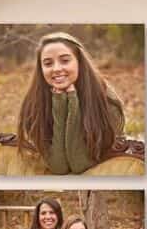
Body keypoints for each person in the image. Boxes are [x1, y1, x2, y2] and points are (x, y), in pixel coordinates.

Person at [16, 31, 129, 174]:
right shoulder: (34, 104)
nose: (56, 69)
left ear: (79, 62)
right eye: (48, 63)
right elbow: (59, 167)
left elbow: (79, 164)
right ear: (41, 68)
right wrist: (60, 105)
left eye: (65, 60)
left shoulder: (105, 99)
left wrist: (73, 101)